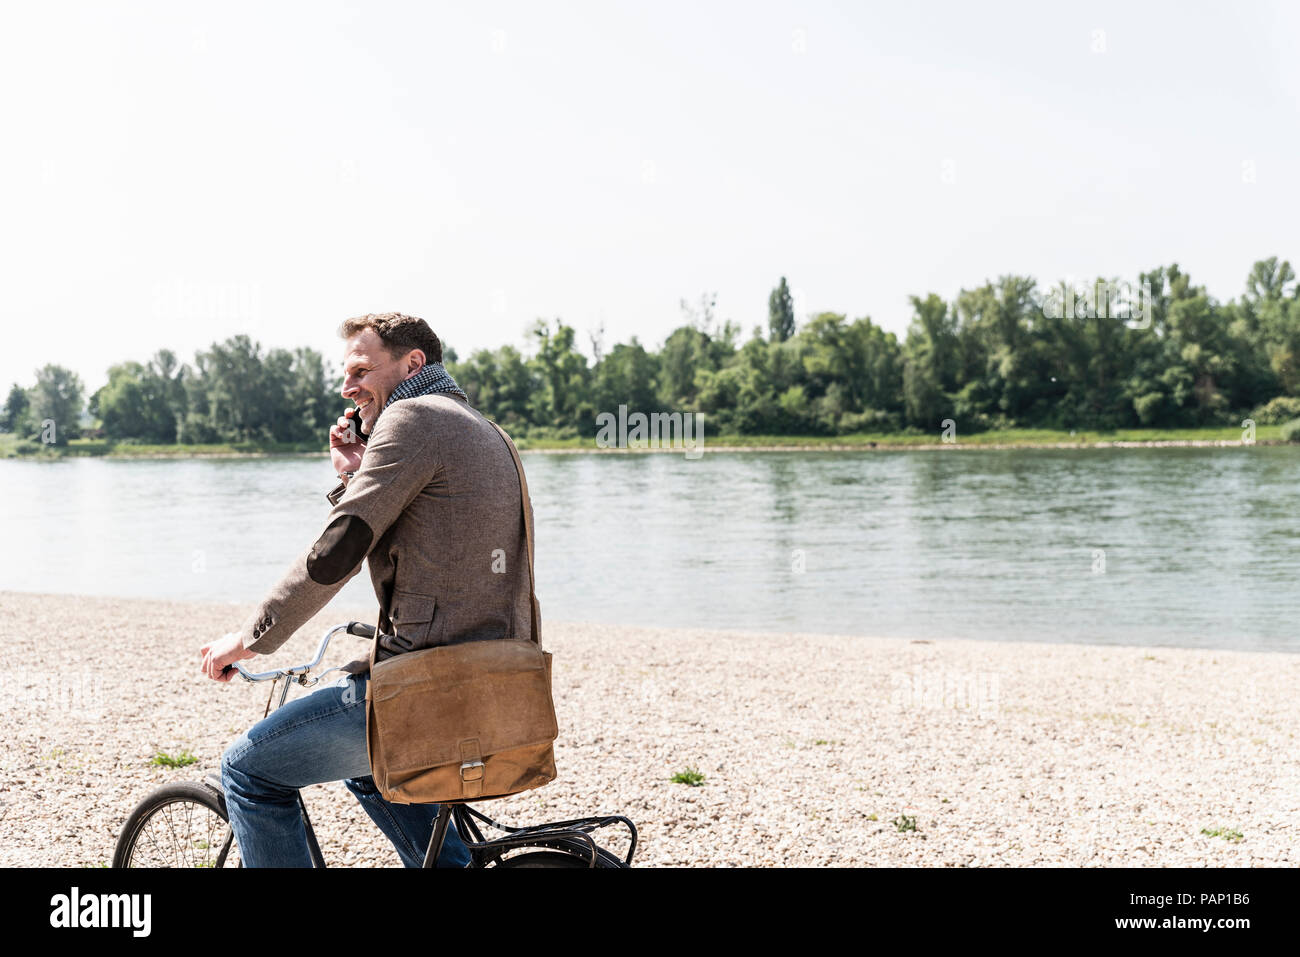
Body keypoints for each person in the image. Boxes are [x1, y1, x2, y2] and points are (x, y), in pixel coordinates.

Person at [198, 312, 536, 867]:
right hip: (502, 685)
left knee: (247, 769)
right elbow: (431, 539)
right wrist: (356, 473)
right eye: (345, 373)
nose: (347, 387)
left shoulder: (413, 421)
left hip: (428, 695)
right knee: (369, 772)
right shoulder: (485, 430)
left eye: (361, 368)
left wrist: (249, 640)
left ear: (412, 364)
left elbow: (336, 554)